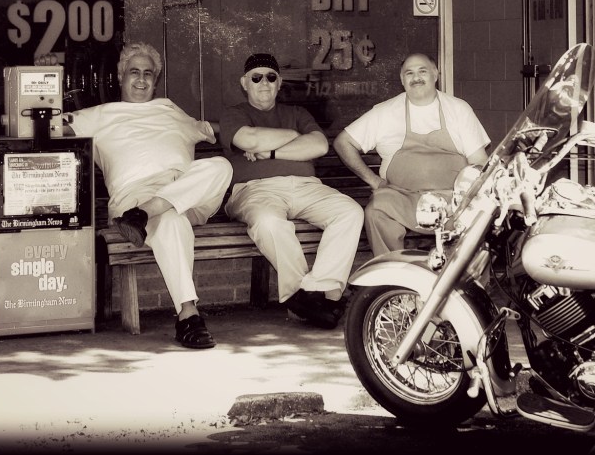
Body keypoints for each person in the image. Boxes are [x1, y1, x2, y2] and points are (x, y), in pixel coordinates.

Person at [52, 42, 232, 349]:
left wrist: (260, 144)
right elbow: (45, 125)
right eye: (134, 72)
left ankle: (148, 212)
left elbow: (227, 132)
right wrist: (45, 76)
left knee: (221, 166)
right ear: (121, 75)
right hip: (133, 198)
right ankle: (189, 315)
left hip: (183, 197)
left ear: (156, 80)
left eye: (148, 73)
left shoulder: (172, 111)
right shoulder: (99, 115)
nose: (141, 79)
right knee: (171, 220)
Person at [219, 53, 364, 329]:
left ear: (279, 82)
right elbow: (246, 138)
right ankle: (306, 297)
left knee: (350, 212)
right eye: (256, 77)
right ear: (244, 82)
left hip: (307, 188)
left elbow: (320, 145)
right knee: (269, 223)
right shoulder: (234, 113)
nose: (264, 83)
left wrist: (269, 151)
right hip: (256, 190)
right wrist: (296, 137)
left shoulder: (297, 113)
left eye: (271, 77)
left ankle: (318, 292)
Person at [333, 53, 490, 256]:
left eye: (422, 71)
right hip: (402, 197)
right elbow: (343, 142)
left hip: (452, 198)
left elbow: (479, 161)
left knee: (480, 214)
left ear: (435, 74)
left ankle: (463, 282)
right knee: (377, 210)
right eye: (409, 73)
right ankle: (393, 276)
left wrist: (472, 196)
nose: (416, 77)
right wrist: (374, 181)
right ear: (402, 80)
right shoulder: (385, 112)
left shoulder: (459, 109)